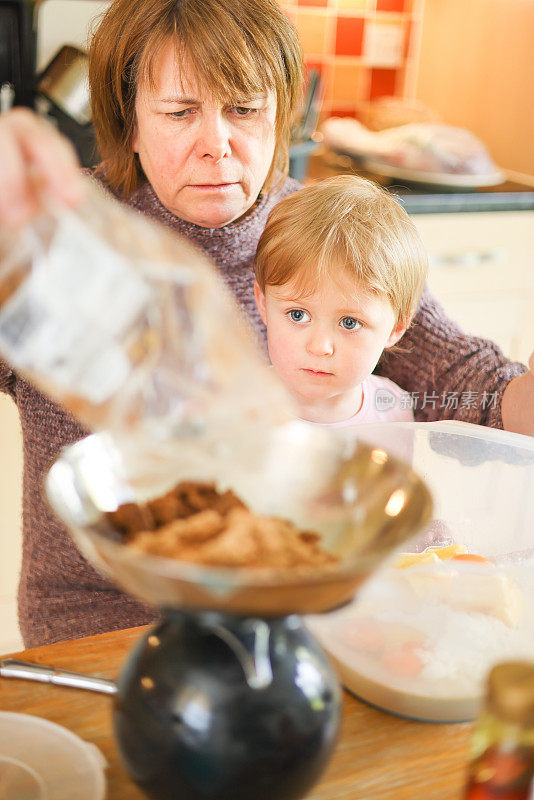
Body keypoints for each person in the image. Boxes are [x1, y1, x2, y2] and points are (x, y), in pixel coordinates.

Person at [0, 0, 531, 648]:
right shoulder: (52, 233)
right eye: (179, 112)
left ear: (280, 115)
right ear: (130, 121)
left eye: (244, 109)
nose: (217, 144)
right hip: (102, 626)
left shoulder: (320, 229)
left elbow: (467, 380)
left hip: (293, 614)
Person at [253, 175, 427, 426]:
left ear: (397, 328)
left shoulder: (392, 410)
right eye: (297, 315)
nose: (319, 347)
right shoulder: (234, 406)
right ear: (263, 303)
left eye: (349, 322)